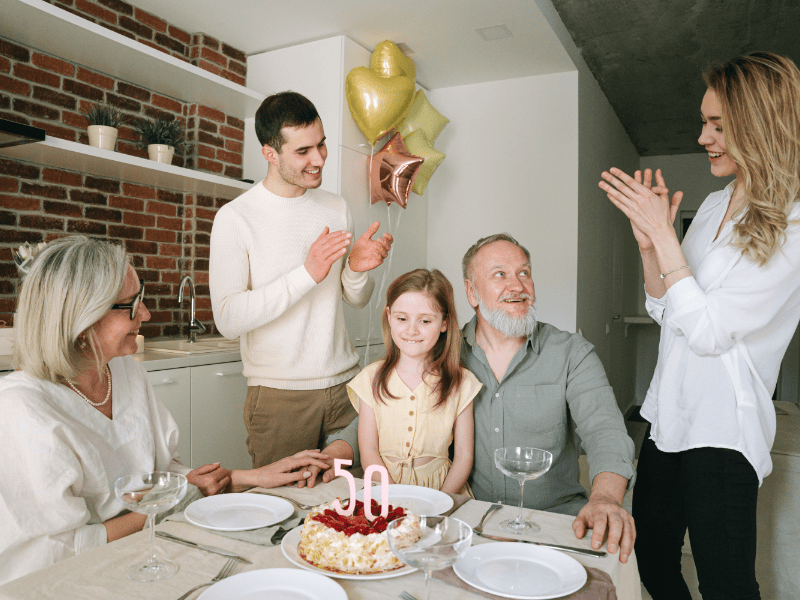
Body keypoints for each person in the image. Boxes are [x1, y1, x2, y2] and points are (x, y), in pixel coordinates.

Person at [0, 236, 332, 585]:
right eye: (131, 304)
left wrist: (253, 476)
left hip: (147, 546)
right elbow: (62, 549)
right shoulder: (20, 410)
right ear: (81, 320)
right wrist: (181, 495)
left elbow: (163, 475)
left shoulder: (125, 370)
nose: (145, 313)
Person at [600, 52, 800, 600]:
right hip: (668, 417)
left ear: (760, 126)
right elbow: (671, 312)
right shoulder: (713, 205)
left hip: (724, 432)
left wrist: (666, 237)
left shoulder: (794, 224)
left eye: (718, 125)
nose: (702, 135)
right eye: (704, 121)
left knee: (726, 583)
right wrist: (649, 246)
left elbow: (710, 331)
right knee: (651, 563)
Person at [324, 233, 637, 562]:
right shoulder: (440, 351)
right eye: (500, 274)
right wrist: (334, 452)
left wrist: (606, 497)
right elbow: (388, 411)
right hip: (469, 520)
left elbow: (606, 430)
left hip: (553, 521)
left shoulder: (571, 353)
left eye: (524, 273)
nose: (517, 286)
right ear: (471, 292)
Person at [210, 91, 393, 471]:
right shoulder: (235, 217)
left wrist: (357, 271)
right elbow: (228, 319)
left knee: (350, 509)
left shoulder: (335, 206)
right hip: (279, 399)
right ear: (270, 154)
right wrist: (306, 274)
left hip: (346, 387)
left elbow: (353, 298)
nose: (319, 159)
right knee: (285, 511)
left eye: (322, 144)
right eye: (303, 151)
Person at [348, 269, 482, 494]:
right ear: (389, 317)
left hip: (442, 492)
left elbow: (463, 457)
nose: (412, 330)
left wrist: (441, 502)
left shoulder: (462, 382)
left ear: (444, 323)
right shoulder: (370, 379)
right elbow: (369, 451)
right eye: (402, 319)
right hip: (385, 490)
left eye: (425, 320)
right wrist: (393, 497)